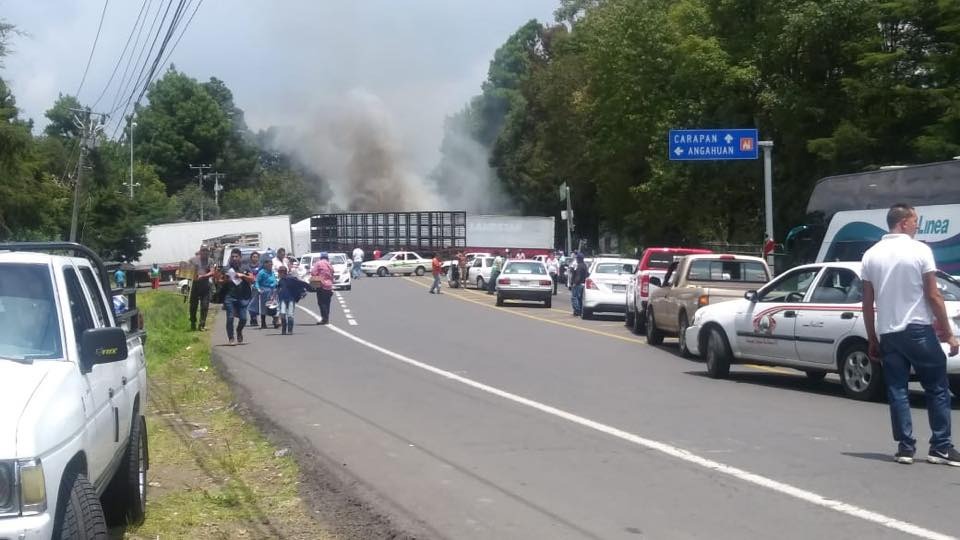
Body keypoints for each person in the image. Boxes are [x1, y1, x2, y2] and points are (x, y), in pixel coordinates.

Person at [862, 203, 960, 466]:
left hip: (889, 334)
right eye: (915, 220)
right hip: (917, 329)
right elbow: (933, 294)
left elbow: (867, 302)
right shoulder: (920, 250)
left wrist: (872, 338)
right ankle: (940, 446)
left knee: (897, 390)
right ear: (903, 222)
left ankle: (905, 448)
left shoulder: (871, 255)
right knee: (937, 387)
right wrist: (949, 334)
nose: (917, 225)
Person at [218, 247, 255, 345]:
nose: (234, 258)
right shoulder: (226, 268)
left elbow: (252, 279)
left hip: (243, 296)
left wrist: (242, 276)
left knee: (243, 319)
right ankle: (231, 338)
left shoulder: (245, 267)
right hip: (230, 296)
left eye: (236, 256)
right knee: (230, 317)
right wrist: (226, 280)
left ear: (240, 257)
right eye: (233, 256)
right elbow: (219, 281)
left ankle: (239, 330)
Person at [189, 245, 216, 331]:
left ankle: (202, 324)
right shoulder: (193, 260)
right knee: (193, 306)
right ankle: (193, 322)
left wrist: (204, 276)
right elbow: (187, 270)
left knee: (204, 306)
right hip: (195, 285)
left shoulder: (210, 260)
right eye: (203, 250)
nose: (205, 252)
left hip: (205, 286)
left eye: (206, 251)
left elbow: (212, 272)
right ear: (200, 251)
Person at [277, 265, 309, 335]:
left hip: (291, 299)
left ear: (285, 272)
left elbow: (300, 284)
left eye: (281, 272)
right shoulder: (280, 281)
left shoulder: (291, 279)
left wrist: (304, 290)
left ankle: (290, 329)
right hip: (282, 299)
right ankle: (284, 329)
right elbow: (278, 289)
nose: (280, 273)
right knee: (282, 313)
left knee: (290, 314)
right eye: (279, 272)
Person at [310, 252, 335, 325]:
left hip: (321, 285)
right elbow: (333, 272)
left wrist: (318, 276)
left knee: (321, 302)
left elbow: (313, 273)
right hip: (329, 285)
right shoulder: (329, 264)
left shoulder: (318, 263)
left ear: (321, 257)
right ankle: (326, 317)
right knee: (327, 302)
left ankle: (324, 318)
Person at [255, 258, 278, 329]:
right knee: (264, 307)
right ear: (265, 264)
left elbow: (274, 280)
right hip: (264, 291)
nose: (271, 265)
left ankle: (275, 321)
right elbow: (257, 281)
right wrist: (258, 289)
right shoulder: (262, 272)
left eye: (271, 264)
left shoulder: (272, 272)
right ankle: (263, 322)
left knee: (274, 306)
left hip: (273, 291)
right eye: (269, 264)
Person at [247, 251, 262, 324]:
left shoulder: (261, 266)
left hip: (258, 286)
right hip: (249, 285)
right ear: (251, 258)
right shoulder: (248, 267)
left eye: (256, 257)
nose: (255, 258)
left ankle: (256, 317)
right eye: (253, 257)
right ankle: (253, 317)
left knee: (257, 302)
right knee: (251, 302)